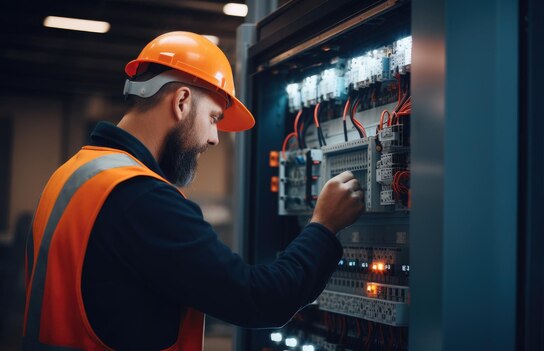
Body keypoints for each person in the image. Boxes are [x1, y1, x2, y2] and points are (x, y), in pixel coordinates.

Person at [22, 31, 364, 350]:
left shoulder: (73, 174)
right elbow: (260, 299)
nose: (214, 138)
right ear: (182, 101)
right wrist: (323, 226)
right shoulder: (140, 197)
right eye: (214, 118)